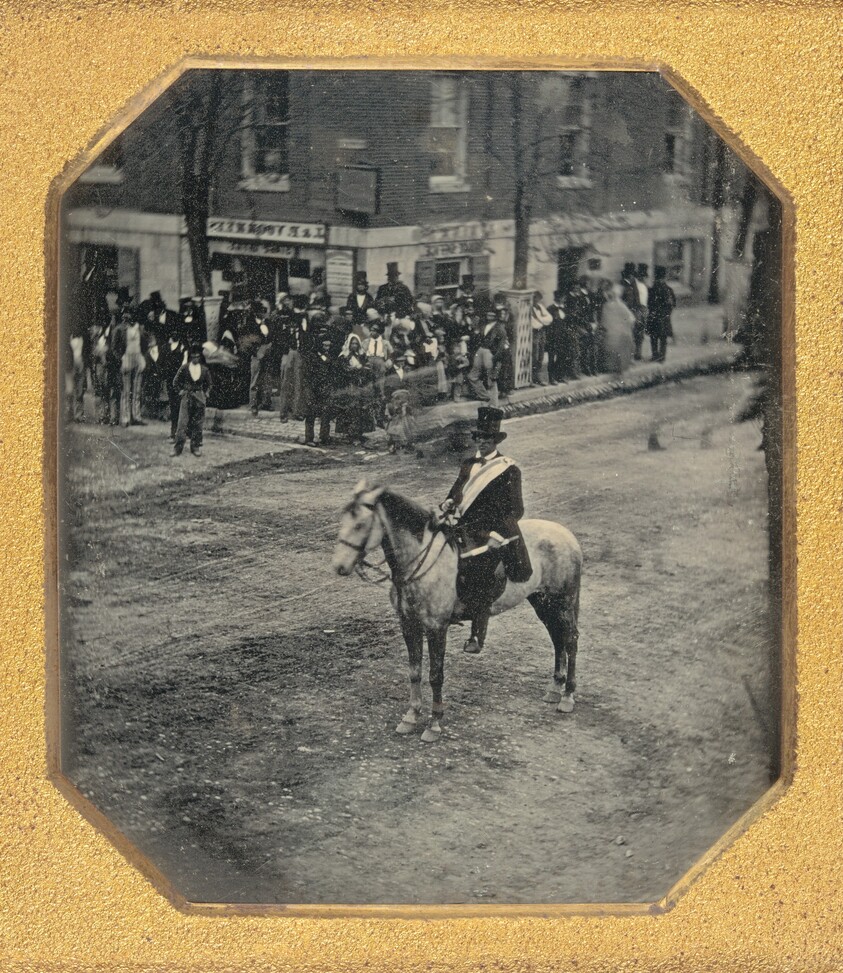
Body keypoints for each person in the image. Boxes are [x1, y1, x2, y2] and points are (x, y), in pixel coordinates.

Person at [439, 407, 532, 654]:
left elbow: (516, 509)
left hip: (491, 532)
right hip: (462, 527)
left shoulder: (509, 469)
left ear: (495, 441)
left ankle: (476, 635)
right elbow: (456, 492)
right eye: (479, 437)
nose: (482, 442)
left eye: (487, 439)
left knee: (480, 574)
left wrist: (497, 536)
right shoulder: (468, 464)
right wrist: (448, 502)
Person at [172, 343, 212, 457]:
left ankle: (195, 447)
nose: (195, 358)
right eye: (193, 356)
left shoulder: (204, 370)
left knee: (198, 423)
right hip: (187, 396)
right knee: (182, 423)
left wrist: (206, 393)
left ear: (200, 357)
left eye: (197, 356)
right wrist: (180, 391)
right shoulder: (185, 368)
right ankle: (177, 448)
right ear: (190, 357)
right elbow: (175, 381)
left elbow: (209, 384)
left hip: (199, 397)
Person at [111, 308, 148, 427]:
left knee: (137, 390)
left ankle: (136, 416)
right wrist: (121, 358)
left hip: (138, 358)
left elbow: (145, 344)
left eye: (130, 314)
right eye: (125, 315)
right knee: (126, 390)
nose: (127, 317)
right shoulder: (119, 329)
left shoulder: (139, 329)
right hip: (126, 358)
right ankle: (125, 418)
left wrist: (142, 356)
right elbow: (114, 347)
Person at [597, 281, 635, 377]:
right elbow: (631, 319)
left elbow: (630, 318)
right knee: (612, 343)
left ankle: (614, 366)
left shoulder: (615, 305)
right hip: (613, 328)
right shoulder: (609, 305)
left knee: (615, 344)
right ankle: (612, 366)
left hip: (615, 329)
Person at [647, 266, 677, 363]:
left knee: (654, 337)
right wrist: (667, 313)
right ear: (664, 277)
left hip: (654, 316)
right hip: (664, 317)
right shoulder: (668, 289)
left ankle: (655, 355)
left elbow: (648, 303)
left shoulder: (651, 289)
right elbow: (673, 304)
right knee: (663, 337)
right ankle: (662, 356)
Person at [620, 262, 645, 361]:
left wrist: (639, 310)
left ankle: (637, 353)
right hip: (627, 312)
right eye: (631, 275)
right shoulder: (623, 284)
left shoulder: (633, 283)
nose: (633, 277)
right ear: (629, 275)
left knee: (638, 332)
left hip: (634, 310)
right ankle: (629, 355)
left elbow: (637, 298)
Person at [529, 291, 552, 385]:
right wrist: (543, 321)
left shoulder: (540, 307)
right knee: (534, 354)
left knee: (541, 355)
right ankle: (532, 377)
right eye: (535, 298)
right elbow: (534, 324)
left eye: (538, 298)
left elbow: (549, 318)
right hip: (535, 333)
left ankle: (537, 376)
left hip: (542, 332)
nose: (536, 300)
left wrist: (541, 320)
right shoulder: (530, 309)